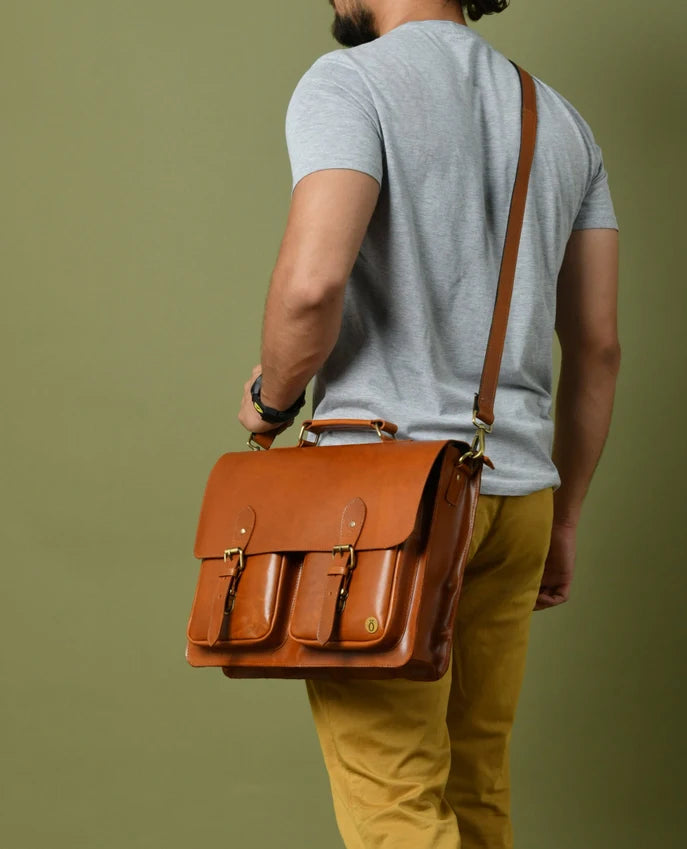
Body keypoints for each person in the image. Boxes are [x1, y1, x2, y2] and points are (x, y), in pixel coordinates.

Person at [236, 1, 621, 846]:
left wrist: (272, 400)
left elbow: (311, 286)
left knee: (395, 800)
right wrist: (564, 519)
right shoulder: (559, 121)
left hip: (382, 511)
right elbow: (597, 347)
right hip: (517, 498)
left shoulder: (350, 83)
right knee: (476, 781)